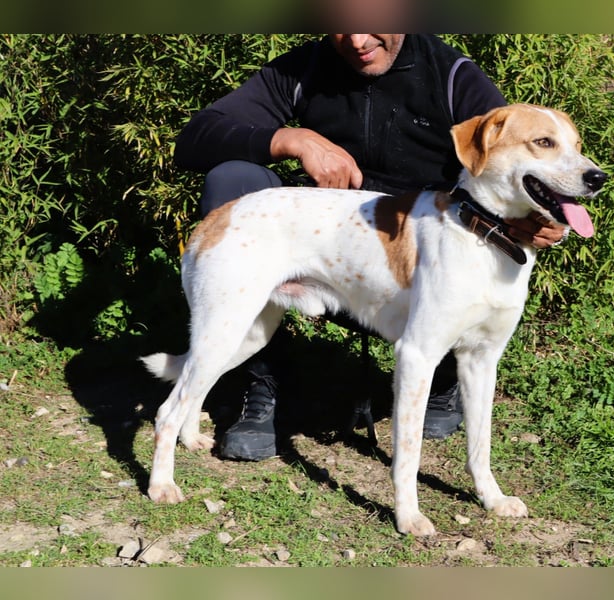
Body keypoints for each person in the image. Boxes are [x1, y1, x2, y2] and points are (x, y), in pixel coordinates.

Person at [174, 34, 566, 461]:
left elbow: (513, 164)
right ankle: (256, 380)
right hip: (332, 256)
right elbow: (196, 138)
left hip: (427, 266)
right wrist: (293, 139)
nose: (359, 40)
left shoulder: (452, 74)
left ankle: (446, 374)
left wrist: (538, 216)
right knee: (233, 179)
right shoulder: (300, 69)